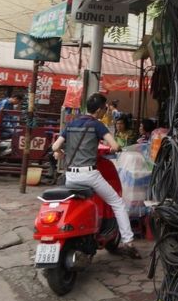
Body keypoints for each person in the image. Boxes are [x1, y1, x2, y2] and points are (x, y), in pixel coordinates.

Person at [51, 93, 140, 258]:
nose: (105, 112)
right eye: (105, 109)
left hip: (70, 175)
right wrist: (116, 148)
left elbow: (55, 146)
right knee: (117, 203)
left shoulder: (71, 124)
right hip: (89, 175)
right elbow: (114, 145)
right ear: (99, 110)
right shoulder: (97, 126)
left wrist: (61, 153)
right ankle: (128, 241)